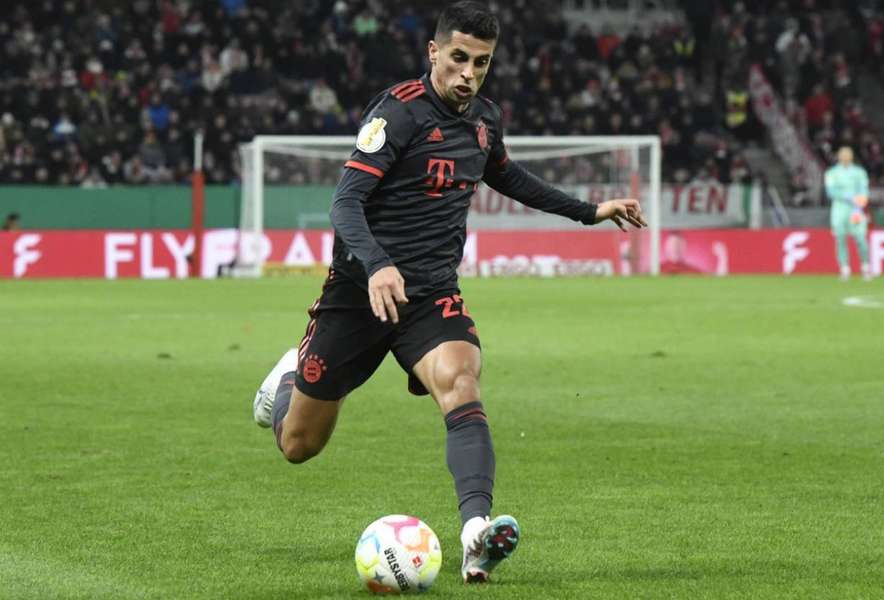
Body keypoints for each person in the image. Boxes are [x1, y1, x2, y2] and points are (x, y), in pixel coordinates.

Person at [251, 1, 647, 585]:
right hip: (359, 293)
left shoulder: (485, 121)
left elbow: (508, 176)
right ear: (434, 52)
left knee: (462, 382)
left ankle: (475, 536)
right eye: (459, 58)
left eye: (481, 63)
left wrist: (590, 211)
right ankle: (287, 378)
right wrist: (379, 264)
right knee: (298, 445)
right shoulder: (398, 114)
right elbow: (345, 203)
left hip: (431, 296)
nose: (468, 73)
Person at [824, 146, 871, 281]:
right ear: (839, 156)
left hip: (856, 209)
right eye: (842, 155)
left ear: (851, 156)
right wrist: (848, 196)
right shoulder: (831, 173)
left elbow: (864, 189)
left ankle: (865, 267)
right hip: (839, 209)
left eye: (847, 155)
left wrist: (860, 202)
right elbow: (830, 192)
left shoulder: (859, 172)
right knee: (840, 239)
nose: (845, 157)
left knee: (861, 239)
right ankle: (844, 268)